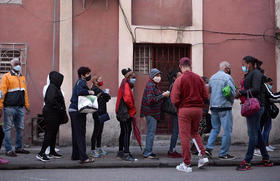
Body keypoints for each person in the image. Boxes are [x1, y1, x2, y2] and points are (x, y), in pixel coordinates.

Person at [171, 57, 209, 173]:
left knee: (185, 136)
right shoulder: (198, 78)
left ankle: (186, 164)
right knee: (194, 133)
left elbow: (174, 98)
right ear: (190, 66)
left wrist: (179, 106)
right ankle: (203, 156)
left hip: (185, 110)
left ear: (180, 66)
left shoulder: (180, 79)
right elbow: (206, 95)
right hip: (198, 110)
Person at [236, 56, 273, 171]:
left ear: (250, 63)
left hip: (255, 106)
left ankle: (247, 161)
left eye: (244, 64)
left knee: (252, 134)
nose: (243, 66)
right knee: (257, 133)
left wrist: (242, 92)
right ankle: (266, 159)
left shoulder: (256, 73)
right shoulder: (252, 73)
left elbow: (256, 89)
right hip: (254, 106)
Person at [205, 61, 236, 160]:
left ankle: (208, 149)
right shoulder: (227, 77)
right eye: (229, 68)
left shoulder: (212, 77)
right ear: (227, 68)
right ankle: (223, 153)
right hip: (224, 107)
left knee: (215, 129)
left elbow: (209, 91)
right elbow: (231, 92)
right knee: (227, 131)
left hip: (214, 107)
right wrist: (231, 101)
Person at [0, 58, 30, 157]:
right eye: (16, 64)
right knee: (7, 128)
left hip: (20, 107)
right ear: (11, 66)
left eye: (19, 64)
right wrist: (0, 106)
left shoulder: (22, 77)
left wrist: (27, 105)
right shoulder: (6, 77)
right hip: (9, 107)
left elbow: (25, 93)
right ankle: (8, 150)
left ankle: (18, 148)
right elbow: (1, 92)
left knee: (20, 128)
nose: (18, 65)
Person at [36, 71, 66, 162]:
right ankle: (41, 153)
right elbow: (51, 100)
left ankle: (52, 152)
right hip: (51, 113)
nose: (61, 81)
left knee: (53, 133)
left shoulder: (55, 87)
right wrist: (60, 107)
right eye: (60, 79)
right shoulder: (52, 87)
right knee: (49, 133)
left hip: (54, 113)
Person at [141, 68, 170, 159]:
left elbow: (154, 96)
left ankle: (148, 151)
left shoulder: (154, 85)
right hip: (151, 113)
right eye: (157, 76)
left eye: (159, 76)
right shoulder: (151, 85)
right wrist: (162, 95)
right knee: (151, 133)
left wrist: (161, 94)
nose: (159, 77)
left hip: (152, 112)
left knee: (151, 132)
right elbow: (151, 100)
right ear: (152, 76)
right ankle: (147, 153)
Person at [69, 66, 95, 164]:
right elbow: (80, 92)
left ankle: (75, 155)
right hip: (77, 111)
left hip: (74, 110)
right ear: (82, 75)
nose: (89, 75)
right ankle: (84, 158)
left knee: (76, 134)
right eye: (87, 74)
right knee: (80, 134)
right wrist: (90, 92)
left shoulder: (80, 82)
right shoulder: (81, 82)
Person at [115, 68, 137, 161]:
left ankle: (120, 152)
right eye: (133, 77)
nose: (134, 79)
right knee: (127, 132)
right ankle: (126, 154)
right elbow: (128, 100)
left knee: (123, 132)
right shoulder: (126, 85)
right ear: (128, 77)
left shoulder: (124, 84)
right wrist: (132, 108)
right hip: (125, 113)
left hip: (122, 112)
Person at [163, 70, 182, 158]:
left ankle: (172, 149)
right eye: (179, 75)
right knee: (175, 131)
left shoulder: (174, 84)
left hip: (176, 111)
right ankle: (171, 150)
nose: (181, 77)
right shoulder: (175, 85)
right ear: (174, 77)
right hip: (176, 111)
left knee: (176, 131)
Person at [90, 75, 111, 158]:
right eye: (100, 80)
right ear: (95, 81)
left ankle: (98, 148)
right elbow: (107, 97)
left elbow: (106, 98)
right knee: (96, 131)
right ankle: (92, 150)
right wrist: (106, 94)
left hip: (101, 112)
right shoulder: (95, 89)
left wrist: (105, 95)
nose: (101, 81)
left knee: (99, 131)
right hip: (97, 113)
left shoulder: (98, 89)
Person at [259, 77, 280, 152]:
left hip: (267, 111)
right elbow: (272, 96)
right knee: (266, 128)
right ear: (267, 82)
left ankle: (266, 144)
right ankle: (264, 145)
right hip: (265, 111)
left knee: (268, 127)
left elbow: (272, 94)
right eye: (271, 84)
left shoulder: (265, 87)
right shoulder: (265, 86)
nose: (271, 85)